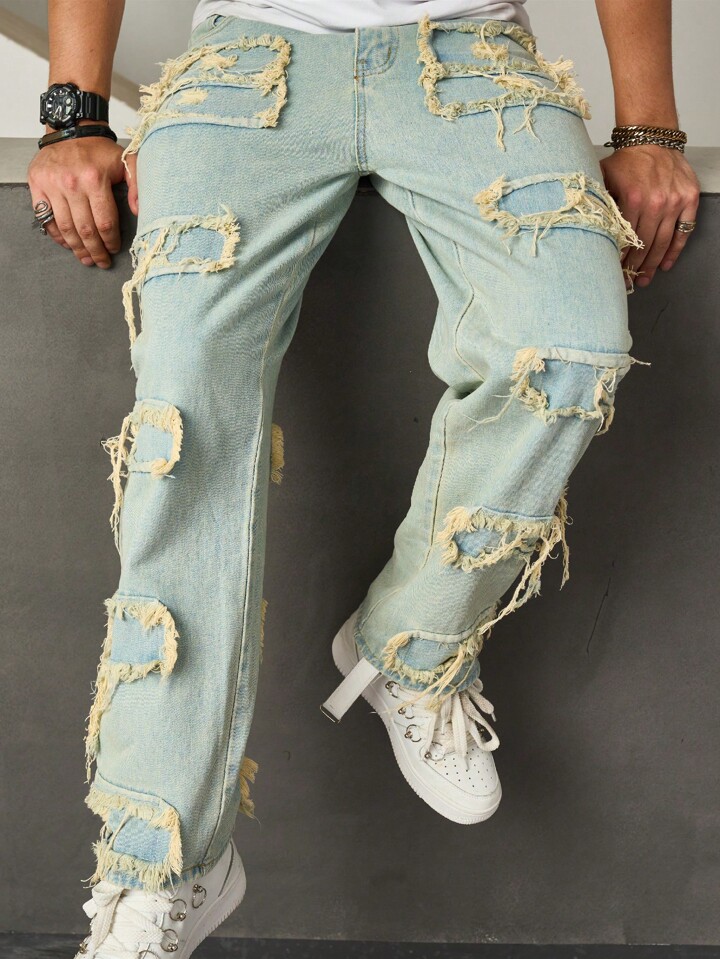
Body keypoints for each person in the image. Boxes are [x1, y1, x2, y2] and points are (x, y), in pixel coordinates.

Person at [27, 0, 700, 956]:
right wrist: (74, 117)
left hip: (471, 51)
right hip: (249, 55)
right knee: (184, 423)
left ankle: (410, 645)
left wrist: (648, 130)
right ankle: (161, 865)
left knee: (570, 344)